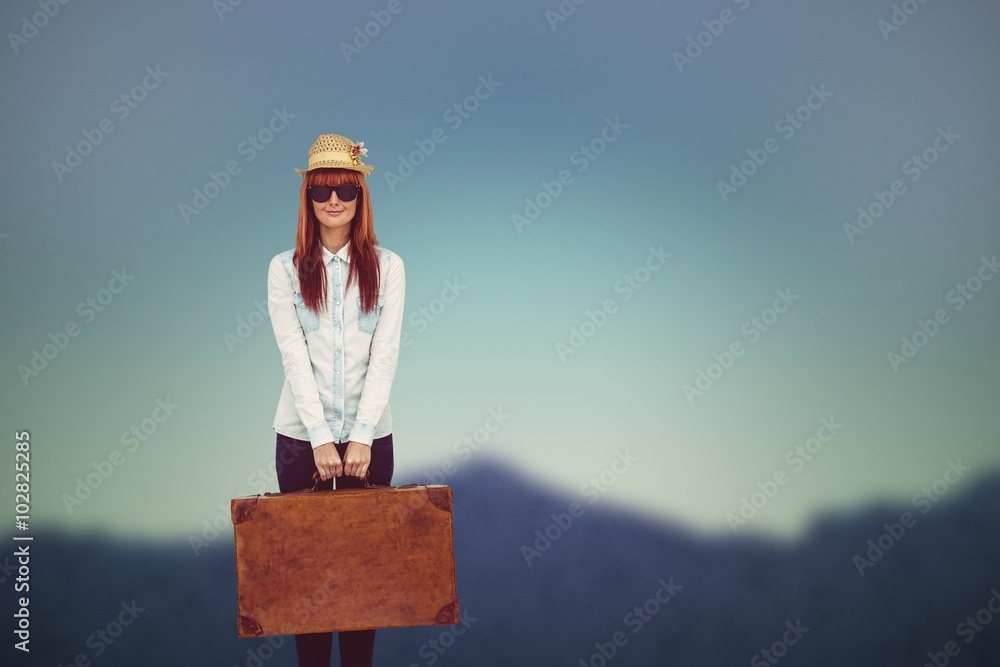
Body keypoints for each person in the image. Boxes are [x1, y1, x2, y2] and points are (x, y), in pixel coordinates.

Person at [266, 133, 405, 667]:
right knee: (309, 580)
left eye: (346, 188)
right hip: (300, 442)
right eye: (322, 188)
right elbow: (293, 357)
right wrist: (322, 439)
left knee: (364, 579)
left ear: (360, 196)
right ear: (307, 195)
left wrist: (361, 435)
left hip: (374, 440)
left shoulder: (389, 267)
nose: (334, 199)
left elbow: (385, 355)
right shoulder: (283, 269)